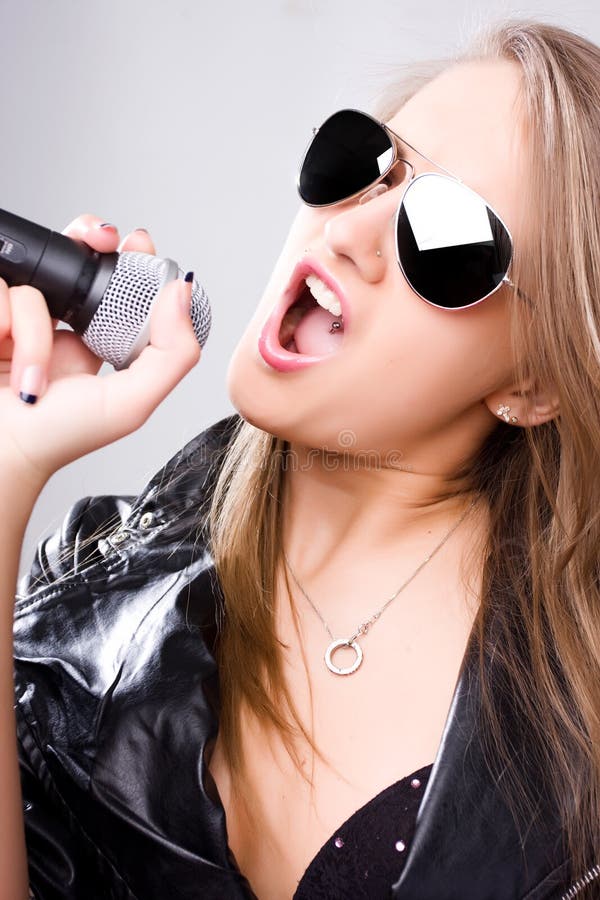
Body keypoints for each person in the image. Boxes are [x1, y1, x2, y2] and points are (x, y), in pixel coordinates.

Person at [1, 15, 599, 900]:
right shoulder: (89, 590)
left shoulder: (575, 712)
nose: (351, 231)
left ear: (536, 381)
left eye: (445, 233)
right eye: (364, 162)